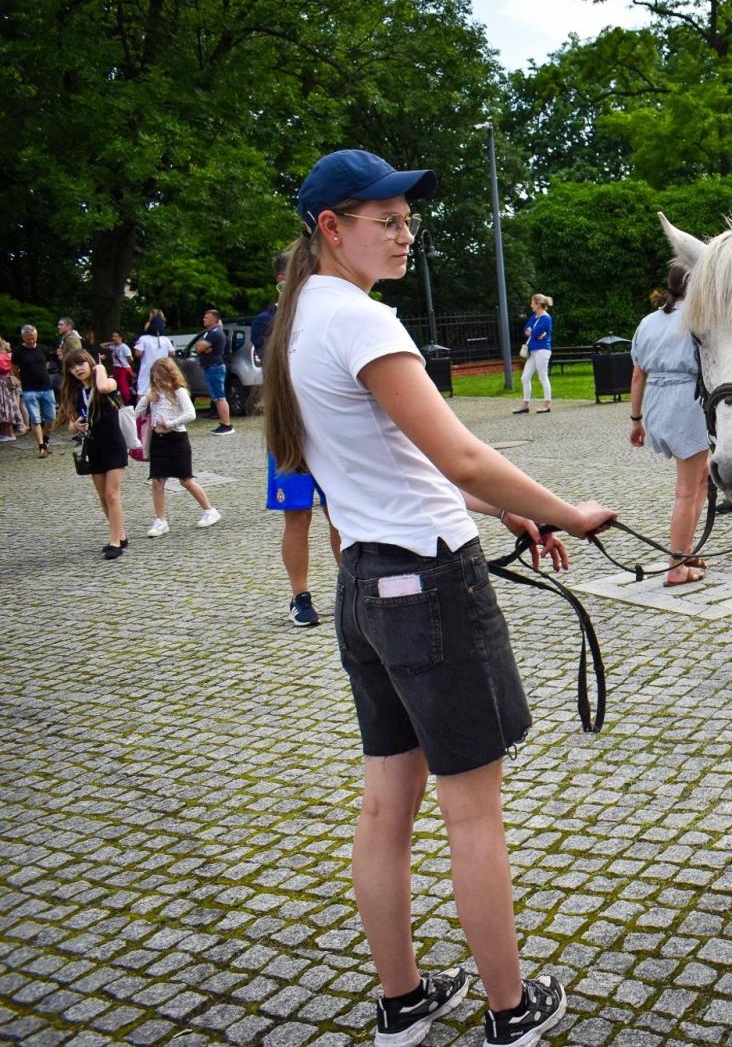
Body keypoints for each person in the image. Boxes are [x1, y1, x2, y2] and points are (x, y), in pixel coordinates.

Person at [264, 148, 614, 1047]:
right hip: (429, 590)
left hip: (368, 586)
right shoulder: (363, 322)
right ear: (331, 229)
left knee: (386, 807)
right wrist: (565, 513)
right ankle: (509, 1011)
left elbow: (404, 467)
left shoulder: (301, 318)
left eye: (407, 218)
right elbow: (457, 452)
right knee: (472, 811)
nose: (405, 232)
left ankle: (404, 1000)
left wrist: (509, 513)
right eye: (386, 220)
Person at [257, 249, 340, 627]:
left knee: (339, 512)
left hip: (328, 429)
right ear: (282, 280)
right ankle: (300, 596)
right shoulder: (270, 321)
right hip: (290, 430)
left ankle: (351, 587)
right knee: (298, 516)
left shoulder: (326, 314)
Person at [627, 266, 710, 586]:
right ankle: (676, 565)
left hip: (658, 404)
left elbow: (637, 375)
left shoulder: (648, 322)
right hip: (687, 402)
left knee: (702, 477)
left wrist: (636, 420)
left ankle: (686, 550)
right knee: (686, 491)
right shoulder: (698, 320)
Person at [136, 357, 221, 536]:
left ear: (169, 376)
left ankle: (209, 510)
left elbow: (191, 414)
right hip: (158, 441)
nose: (158, 383)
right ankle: (160, 520)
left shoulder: (179, 392)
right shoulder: (153, 394)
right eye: (155, 380)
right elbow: (138, 414)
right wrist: (146, 400)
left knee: (186, 480)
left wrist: (170, 423)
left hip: (176, 439)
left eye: (160, 379)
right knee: (157, 481)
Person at [57, 350, 128, 558]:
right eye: (72, 366)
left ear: (90, 364)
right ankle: (121, 534)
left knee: (111, 494)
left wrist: (99, 368)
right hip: (94, 447)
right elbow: (70, 425)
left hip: (114, 444)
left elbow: (104, 386)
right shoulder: (76, 393)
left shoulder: (108, 382)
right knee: (103, 497)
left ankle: (114, 542)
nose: (77, 369)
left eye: (81, 363)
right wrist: (76, 426)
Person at [14, 325, 56, 458]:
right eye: (28, 339)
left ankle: (46, 439)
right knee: (35, 418)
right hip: (29, 389)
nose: (31, 341)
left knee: (51, 417)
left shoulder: (43, 349)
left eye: (33, 338)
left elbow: (47, 364)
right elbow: (14, 369)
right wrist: (22, 379)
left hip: (46, 387)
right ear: (23, 338)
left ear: (36, 336)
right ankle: (41, 446)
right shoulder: (18, 351)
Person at [195, 308, 234, 434]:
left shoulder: (215, 333)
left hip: (214, 367)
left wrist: (202, 348)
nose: (204, 319)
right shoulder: (211, 332)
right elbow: (199, 347)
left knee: (219, 397)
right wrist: (202, 348)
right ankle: (224, 423)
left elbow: (200, 347)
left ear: (214, 320)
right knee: (217, 397)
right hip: (212, 367)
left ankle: (227, 425)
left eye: (206, 317)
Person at [513, 294, 554, 414]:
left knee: (542, 376)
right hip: (533, 350)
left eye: (532, 303)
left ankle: (547, 403)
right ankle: (525, 405)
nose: (531, 305)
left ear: (537, 304)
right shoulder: (534, 316)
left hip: (542, 350)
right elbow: (527, 329)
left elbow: (534, 332)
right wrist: (531, 331)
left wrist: (532, 331)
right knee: (525, 377)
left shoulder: (546, 318)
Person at [133, 319, 175, 397]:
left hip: (147, 371)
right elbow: (172, 353)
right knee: (163, 391)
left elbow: (138, 354)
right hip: (162, 370)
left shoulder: (143, 339)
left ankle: (142, 409)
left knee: (143, 393)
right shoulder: (166, 339)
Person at [0, 337, 26, 442]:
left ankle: (8, 433)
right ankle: (9, 432)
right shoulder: (9, 355)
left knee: (4, 408)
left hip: (2, 384)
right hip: (10, 382)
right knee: (10, 406)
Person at [106, 330, 135, 401]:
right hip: (116, 369)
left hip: (123, 369)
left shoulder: (124, 347)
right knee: (117, 387)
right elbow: (102, 345)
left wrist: (125, 363)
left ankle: (127, 403)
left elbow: (130, 359)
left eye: (116, 336)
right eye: (113, 336)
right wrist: (113, 342)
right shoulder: (114, 347)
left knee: (124, 387)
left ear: (121, 337)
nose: (114, 338)